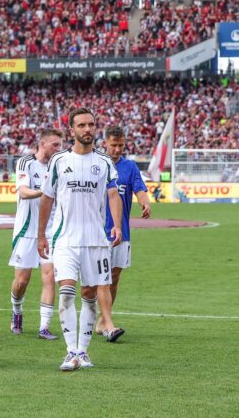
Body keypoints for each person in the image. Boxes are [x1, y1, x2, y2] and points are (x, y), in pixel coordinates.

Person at [38, 107, 123, 371]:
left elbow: (112, 195)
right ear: (72, 130)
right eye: (82, 125)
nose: (87, 129)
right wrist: (41, 234)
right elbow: (47, 198)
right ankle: (69, 351)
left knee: (89, 295)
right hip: (65, 239)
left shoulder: (104, 162)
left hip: (96, 240)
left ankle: (83, 352)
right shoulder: (59, 161)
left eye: (91, 124)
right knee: (65, 291)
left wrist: (117, 225)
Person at [95, 126, 152, 342]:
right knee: (95, 282)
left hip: (122, 233)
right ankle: (94, 319)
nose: (117, 149)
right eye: (114, 145)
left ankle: (103, 320)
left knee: (114, 277)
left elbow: (139, 189)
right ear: (105, 144)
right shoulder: (96, 164)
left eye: (121, 145)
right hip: (97, 231)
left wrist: (145, 204)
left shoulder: (129, 167)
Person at [8, 129, 64, 340]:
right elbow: (23, 192)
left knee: (50, 277)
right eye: (55, 145)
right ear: (43, 144)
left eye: (60, 145)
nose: (59, 149)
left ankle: (44, 327)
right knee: (22, 281)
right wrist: (46, 191)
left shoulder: (59, 166)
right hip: (26, 230)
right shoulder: (26, 163)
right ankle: (17, 310)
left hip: (50, 230)